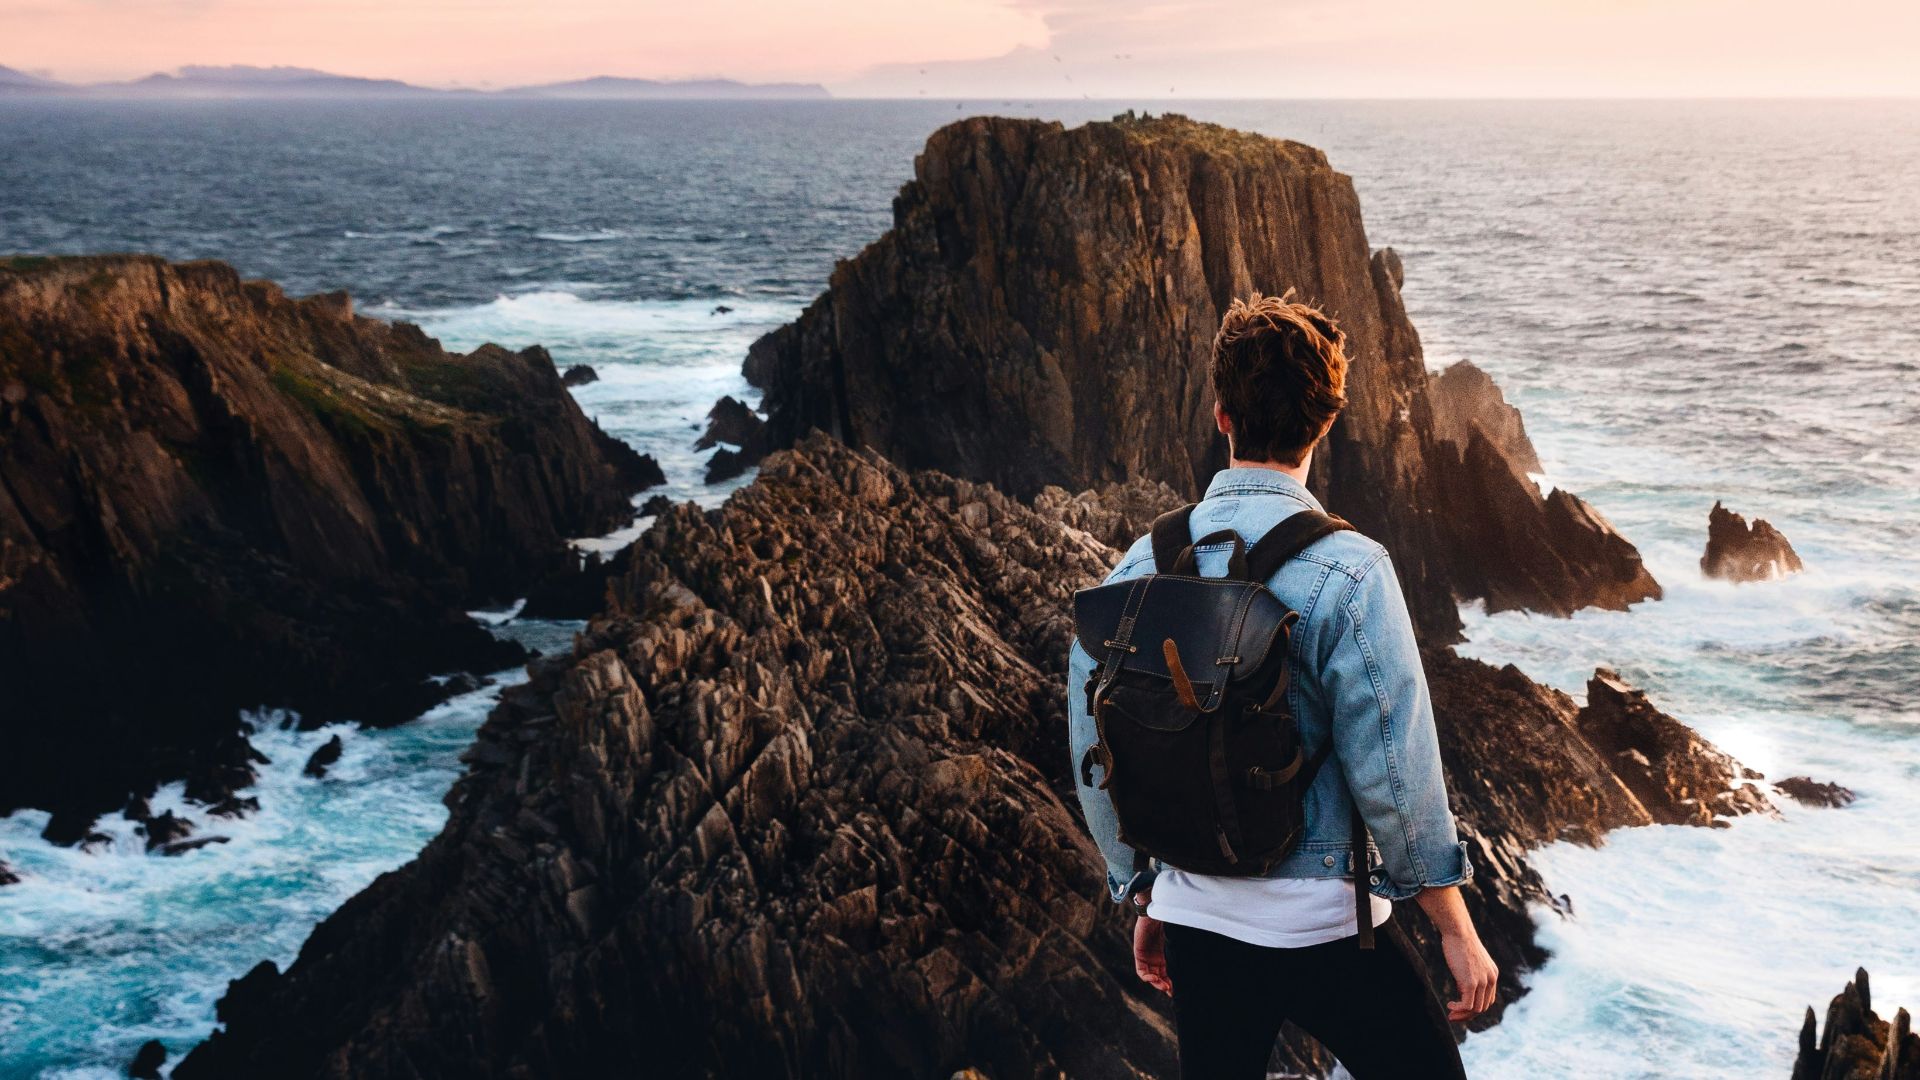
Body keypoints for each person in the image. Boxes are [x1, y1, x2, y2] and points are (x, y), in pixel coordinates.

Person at [1067, 295, 1499, 1079]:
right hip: (1324, 926)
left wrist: (1144, 891)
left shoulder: (1140, 564)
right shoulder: (1352, 570)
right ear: (1324, 424)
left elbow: (1094, 739)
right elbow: (1394, 771)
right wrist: (1453, 926)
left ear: (1221, 415)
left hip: (1197, 920)